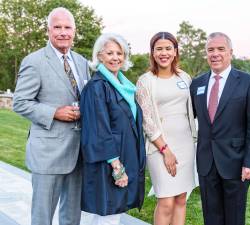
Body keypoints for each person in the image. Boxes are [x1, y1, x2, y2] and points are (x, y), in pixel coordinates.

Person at [13, 7, 90, 225]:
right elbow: (20, 102)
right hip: (47, 154)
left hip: (78, 153)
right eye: (57, 27)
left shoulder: (82, 62)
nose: (63, 32)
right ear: (48, 30)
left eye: (68, 27)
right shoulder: (34, 61)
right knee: (42, 217)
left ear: (74, 31)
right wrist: (54, 113)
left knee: (72, 216)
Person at [190, 32, 250, 225]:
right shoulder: (197, 84)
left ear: (230, 52)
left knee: (234, 217)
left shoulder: (249, 83)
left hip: (237, 162)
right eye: (210, 50)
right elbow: (189, 118)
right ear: (206, 54)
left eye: (220, 49)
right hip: (206, 163)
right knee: (211, 217)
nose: (215, 54)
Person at [80, 33, 146, 225]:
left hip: (124, 156)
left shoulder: (123, 86)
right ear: (99, 56)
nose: (116, 57)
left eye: (120, 53)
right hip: (107, 162)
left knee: (112, 213)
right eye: (110, 53)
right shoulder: (97, 87)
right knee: (105, 214)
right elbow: (99, 129)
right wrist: (117, 167)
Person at [136, 32, 197, 225]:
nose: (164, 53)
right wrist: (165, 150)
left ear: (175, 51)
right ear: (152, 53)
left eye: (168, 48)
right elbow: (146, 120)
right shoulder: (145, 81)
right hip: (159, 147)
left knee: (181, 198)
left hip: (186, 145)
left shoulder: (184, 77)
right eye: (159, 48)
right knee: (166, 201)